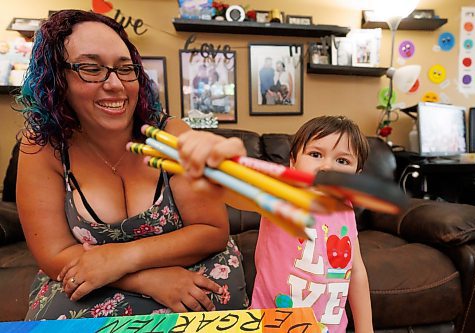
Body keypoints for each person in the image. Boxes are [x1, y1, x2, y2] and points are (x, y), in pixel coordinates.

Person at [16, 9, 248, 320]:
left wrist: (122, 257)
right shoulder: (43, 146)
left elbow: (211, 230)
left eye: (125, 69)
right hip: (91, 279)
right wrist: (146, 279)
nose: (116, 85)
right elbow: (54, 253)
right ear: (57, 79)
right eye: (91, 68)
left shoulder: (171, 135)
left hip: (190, 270)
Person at [250, 116, 374, 333]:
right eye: (316, 155)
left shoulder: (345, 208)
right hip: (272, 326)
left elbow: (356, 272)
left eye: (342, 161)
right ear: (293, 162)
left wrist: (366, 329)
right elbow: (237, 194)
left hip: (330, 328)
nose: (327, 167)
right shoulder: (281, 194)